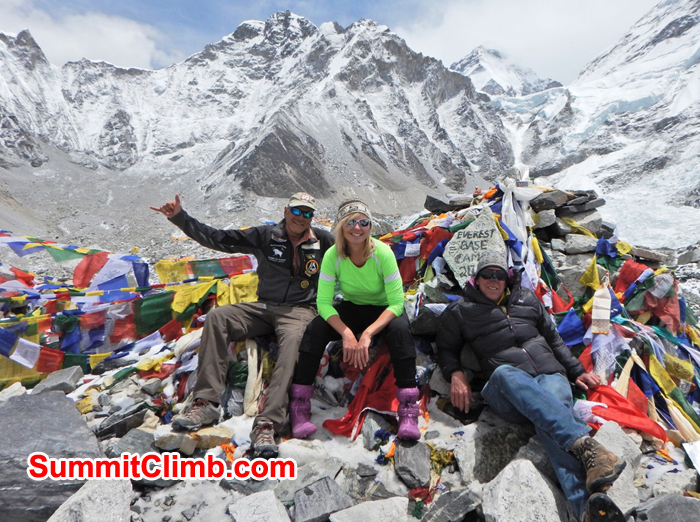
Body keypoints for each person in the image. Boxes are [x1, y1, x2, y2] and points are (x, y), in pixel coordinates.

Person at [436, 249, 627, 522]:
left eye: (499, 275)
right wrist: (455, 373)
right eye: (486, 275)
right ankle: (587, 447)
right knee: (504, 374)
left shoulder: (527, 299)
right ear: (476, 279)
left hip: (550, 376)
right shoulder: (461, 312)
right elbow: (446, 348)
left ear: (508, 278)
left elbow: (554, 339)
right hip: (508, 391)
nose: (493, 280)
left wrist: (575, 371)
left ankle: (586, 508)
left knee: (549, 421)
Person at [150, 192, 334, 458]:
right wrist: (180, 218)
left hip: (300, 310)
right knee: (218, 317)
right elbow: (219, 238)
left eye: (307, 213)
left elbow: (354, 250)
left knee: (293, 342)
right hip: (264, 307)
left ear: (312, 218)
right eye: (296, 211)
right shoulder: (266, 236)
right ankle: (207, 402)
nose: (301, 217)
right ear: (285, 211)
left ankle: (267, 423)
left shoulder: (323, 241)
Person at [289, 199, 421, 441]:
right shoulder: (333, 256)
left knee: (401, 331)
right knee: (315, 329)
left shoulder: (383, 253)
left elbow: (396, 303)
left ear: (370, 226)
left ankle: (409, 410)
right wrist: (347, 334)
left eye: (363, 222)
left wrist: (368, 334)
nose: (357, 228)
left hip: (383, 310)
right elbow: (324, 304)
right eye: (350, 222)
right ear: (341, 227)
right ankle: (299, 407)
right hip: (353, 307)